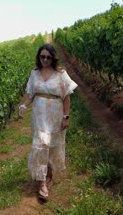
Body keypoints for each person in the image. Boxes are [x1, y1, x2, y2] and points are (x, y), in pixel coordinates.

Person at [18, 43, 78, 201]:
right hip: (39, 117)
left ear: (53, 58)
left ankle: (49, 173)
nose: (45, 59)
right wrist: (24, 105)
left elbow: (66, 96)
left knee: (52, 145)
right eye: (42, 56)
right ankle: (42, 183)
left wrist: (66, 117)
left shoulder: (60, 74)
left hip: (55, 116)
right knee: (40, 146)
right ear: (38, 57)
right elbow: (30, 94)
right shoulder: (34, 73)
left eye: (48, 57)